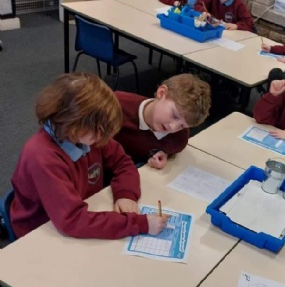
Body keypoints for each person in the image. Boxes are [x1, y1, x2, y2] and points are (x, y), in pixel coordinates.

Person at [10, 73, 169, 240]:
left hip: (78, 209)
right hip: (40, 231)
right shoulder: (42, 156)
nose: (103, 137)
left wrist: (125, 194)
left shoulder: (88, 135)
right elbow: (72, 220)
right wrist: (140, 224)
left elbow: (122, 162)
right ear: (72, 121)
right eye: (98, 130)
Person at [115, 74, 211, 168]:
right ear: (161, 93)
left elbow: (169, 148)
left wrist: (165, 154)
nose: (173, 127)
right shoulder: (117, 104)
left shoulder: (178, 139)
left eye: (182, 126)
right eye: (174, 116)